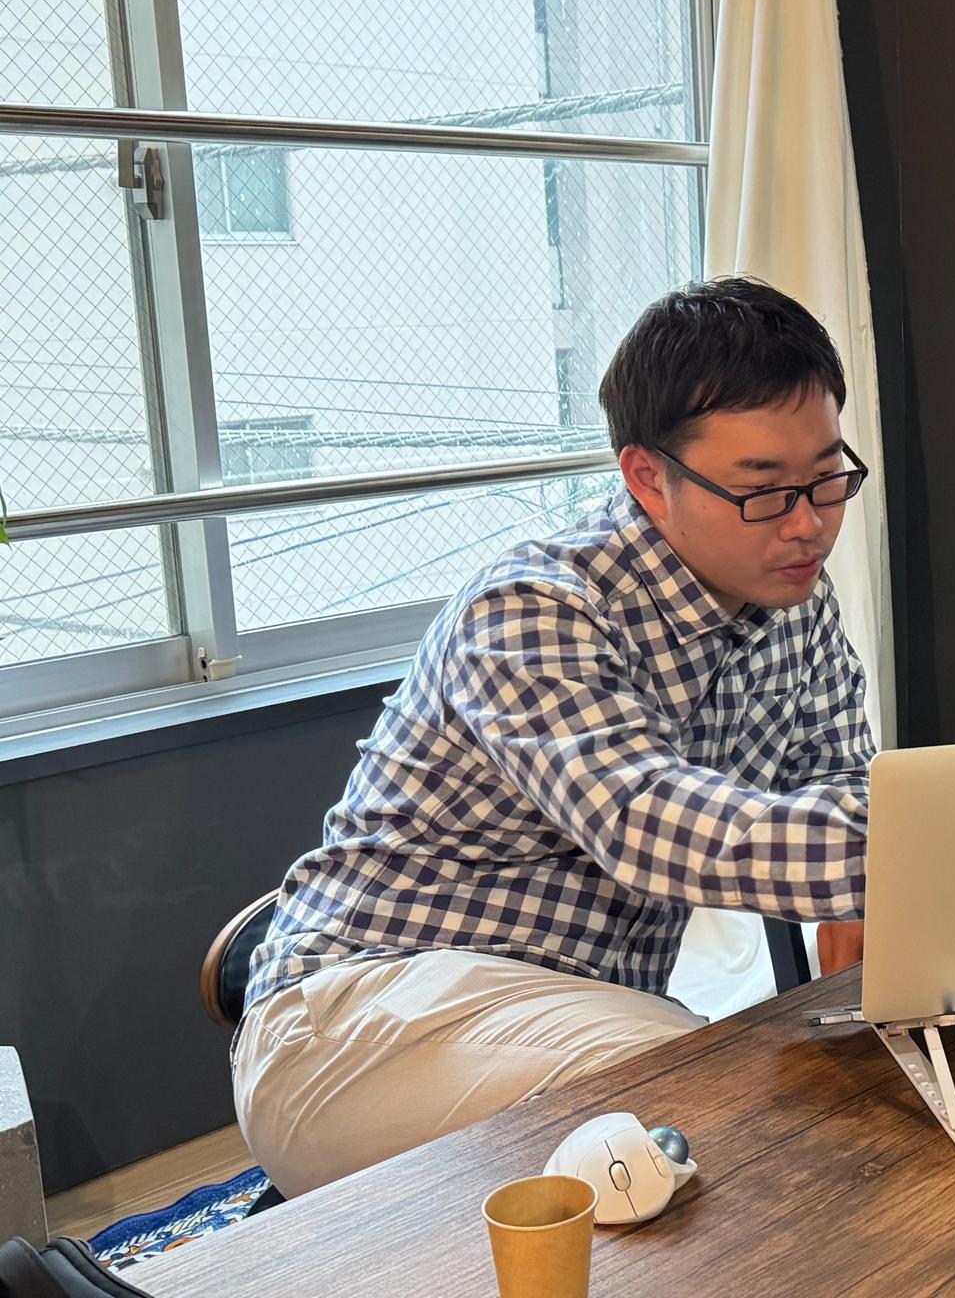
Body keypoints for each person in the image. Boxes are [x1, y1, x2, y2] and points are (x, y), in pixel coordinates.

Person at [234, 277, 875, 1195]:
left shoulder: (795, 605)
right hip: (362, 1018)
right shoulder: (534, 607)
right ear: (647, 477)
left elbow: (842, 783)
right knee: (713, 1099)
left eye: (826, 477)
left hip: (579, 1012)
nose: (809, 523)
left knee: (786, 1105)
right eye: (763, 491)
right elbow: (647, 822)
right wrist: (935, 847)